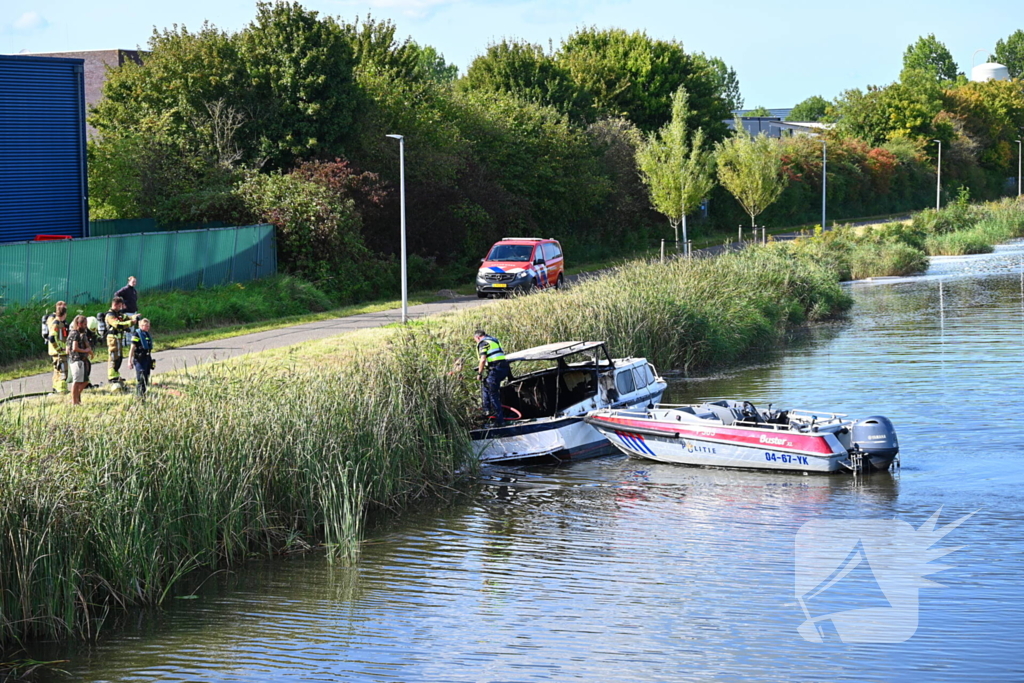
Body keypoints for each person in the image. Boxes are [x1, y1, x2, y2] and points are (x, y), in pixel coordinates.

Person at [474, 329, 511, 423]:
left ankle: (499, 420)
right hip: (504, 369)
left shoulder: (483, 343)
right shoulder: (494, 340)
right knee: (486, 386)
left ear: (478, 337)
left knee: (492, 394)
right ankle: (487, 410)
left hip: (496, 370)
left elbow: (483, 360)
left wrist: (479, 373)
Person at [104, 296, 139, 385]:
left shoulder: (118, 314)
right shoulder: (110, 315)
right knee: (113, 357)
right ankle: (112, 377)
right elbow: (117, 324)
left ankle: (116, 375)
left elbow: (126, 317)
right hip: (113, 338)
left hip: (118, 338)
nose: (121, 308)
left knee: (119, 357)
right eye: (119, 306)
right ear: (115, 305)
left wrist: (134, 317)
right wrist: (131, 323)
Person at [66, 315, 93, 405]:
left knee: (84, 381)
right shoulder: (75, 334)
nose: (86, 326)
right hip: (76, 360)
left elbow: (67, 349)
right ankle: (74, 401)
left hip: (76, 360)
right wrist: (85, 350)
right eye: (85, 324)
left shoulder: (73, 333)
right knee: (77, 381)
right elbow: (75, 348)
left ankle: (76, 398)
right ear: (79, 324)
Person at [127, 318, 155, 397]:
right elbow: (132, 348)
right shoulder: (136, 334)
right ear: (141, 326)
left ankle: (144, 394)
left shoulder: (146, 334)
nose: (148, 328)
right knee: (141, 378)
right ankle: (139, 396)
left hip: (147, 358)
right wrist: (129, 361)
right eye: (146, 326)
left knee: (146, 377)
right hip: (139, 359)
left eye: (148, 326)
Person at [46, 301, 70, 394]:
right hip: (58, 352)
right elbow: (52, 338)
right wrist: (59, 349)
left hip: (60, 352)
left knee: (57, 370)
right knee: (62, 371)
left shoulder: (61, 323)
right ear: (64, 314)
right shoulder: (56, 323)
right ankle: (62, 390)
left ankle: (56, 388)